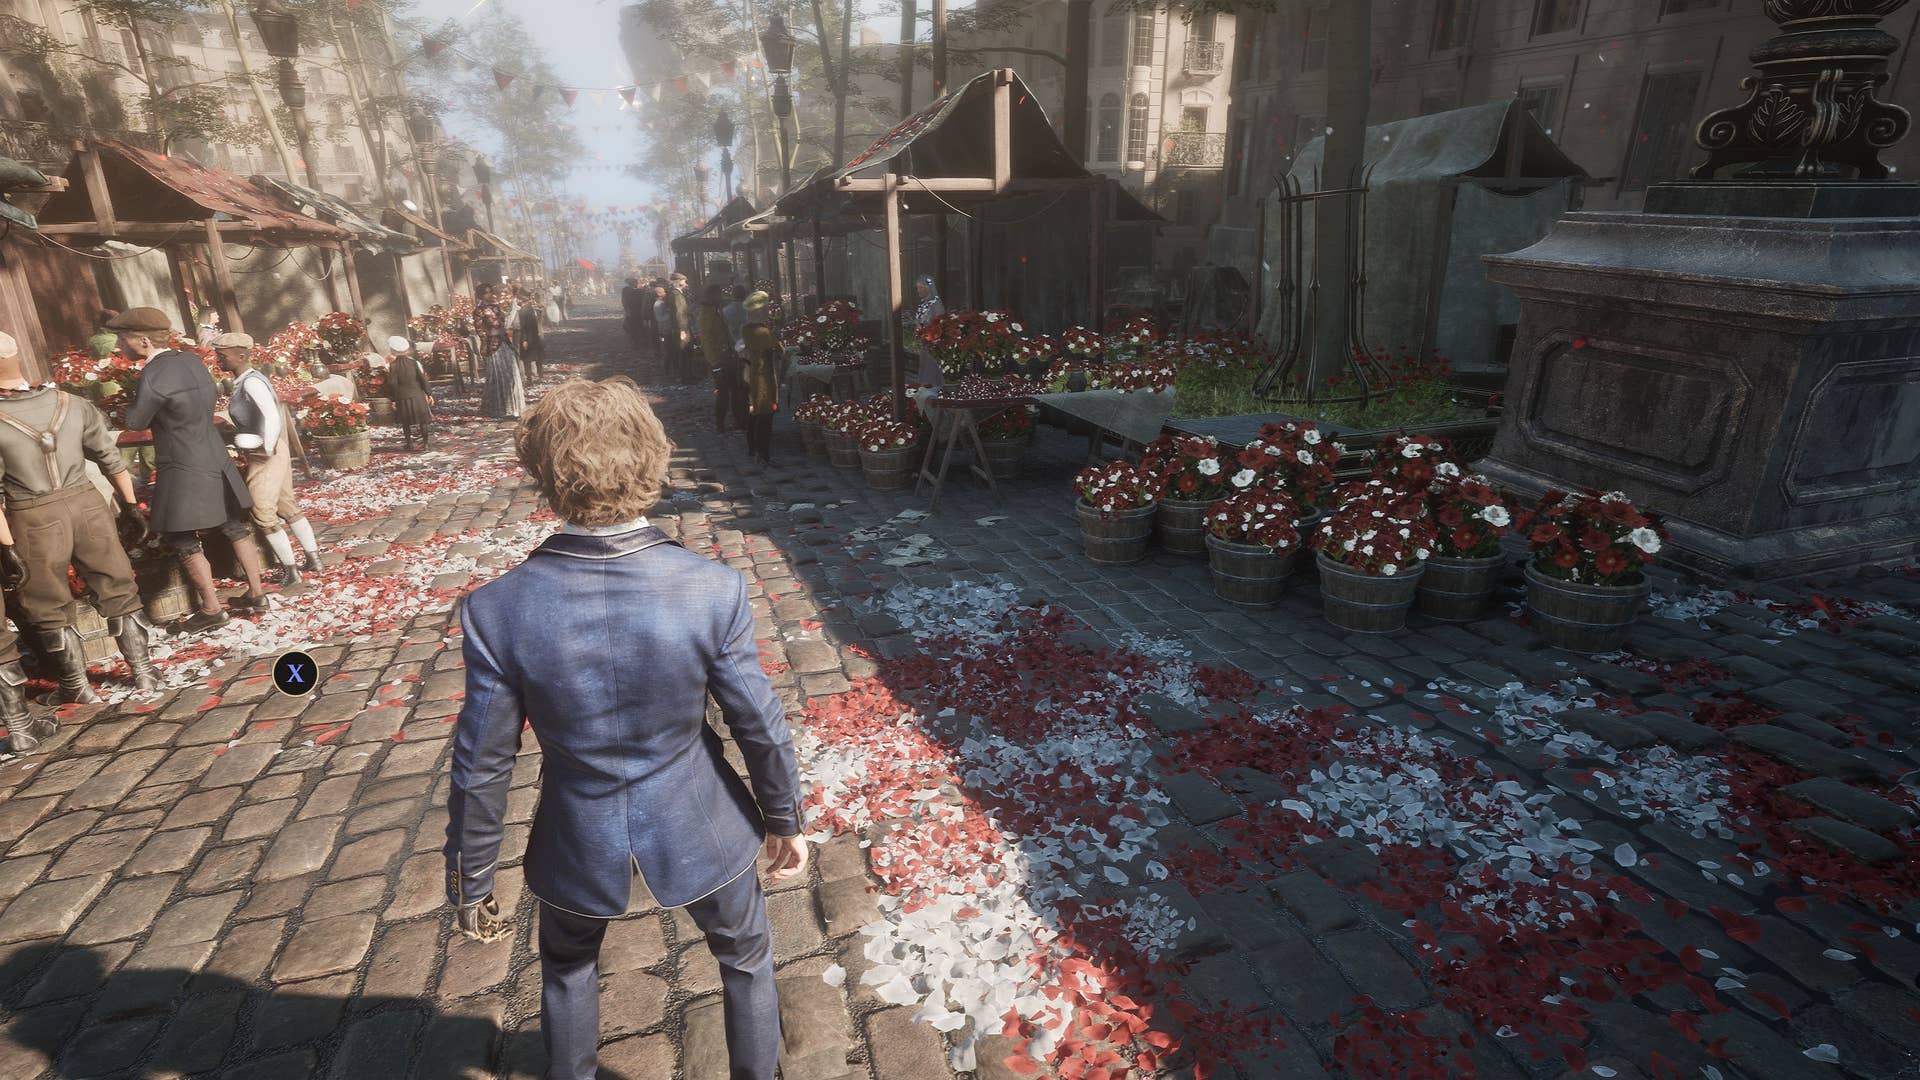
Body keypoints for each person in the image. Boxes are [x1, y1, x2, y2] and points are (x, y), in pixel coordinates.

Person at [446, 377, 805, 1080]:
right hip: (701, 818)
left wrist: (473, 879)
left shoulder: (497, 609)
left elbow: (482, 763)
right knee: (745, 958)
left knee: (568, 967)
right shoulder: (712, 588)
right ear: (652, 458)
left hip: (576, 831)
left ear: (542, 472)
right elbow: (757, 722)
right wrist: (785, 815)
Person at [0, 329, 161, 717]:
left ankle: (77, 688)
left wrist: (6, 549)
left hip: (31, 514)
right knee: (117, 584)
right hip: (88, 504)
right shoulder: (70, 402)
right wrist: (131, 506)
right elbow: (110, 458)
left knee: (47, 603)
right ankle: (143, 673)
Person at [112, 307, 269, 632]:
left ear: (142, 341)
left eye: (121, 339)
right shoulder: (191, 361)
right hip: (213, 453)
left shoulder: (153, 374)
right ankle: (257, 593)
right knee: (233, 525)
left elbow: (136, 421)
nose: (117, 346)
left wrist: (128, 403)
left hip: (182, 462)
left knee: (181, 536)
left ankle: (212, 609)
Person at [214, 334, 323, 587]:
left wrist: (265, 447)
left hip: (266, 454)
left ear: (241, 355)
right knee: (285, 505)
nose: (219, 359)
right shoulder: (245, 381)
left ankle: (291, 570)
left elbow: (272, 417)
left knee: (262, 511)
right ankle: (313, 558)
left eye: (223, 355)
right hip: (274, 450)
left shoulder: (251, 383)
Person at [740, 292, 781, 466]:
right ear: (759, 311)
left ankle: (752, 448)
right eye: (765, 308)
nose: (768, 311)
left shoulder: (747, 328)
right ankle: (762, 454)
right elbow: (780, 349)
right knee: (764, 415)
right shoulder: (763, 332)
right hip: (762, 378)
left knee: (753, 412)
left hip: (750, 374)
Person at [700, 284, 745, 434]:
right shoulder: (707, 314)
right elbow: (706, 339)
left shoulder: (717, 310)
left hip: (728, 356)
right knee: (723, 394)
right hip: (720, 359)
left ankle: (738, 421)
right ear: (712, 296)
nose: (721, 297)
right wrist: (714, 362)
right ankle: (720, 423)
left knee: (736, 390)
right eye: (718, 294)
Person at [476, 284, 525, 420]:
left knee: (511, 372)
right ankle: (497, 406)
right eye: (486, 293)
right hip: (493, 345)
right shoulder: (479, 310)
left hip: (504, 342)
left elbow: (504, 323)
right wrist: (486, 344)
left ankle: (513, 406)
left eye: (490, 291)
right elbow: (480, 330)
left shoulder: (496, 307)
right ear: (480, 295)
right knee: (497, 375)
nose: (489, 294)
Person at [386, 336, 434, 451]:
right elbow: (422, 379)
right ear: (407, 350)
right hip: (417, 395)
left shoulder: (392, 366)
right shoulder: (414, 363)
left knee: (405, 422)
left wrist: (392, 399)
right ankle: (426, 443)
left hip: (402, 397)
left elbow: (392, 384)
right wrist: (429, 393)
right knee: (423, 420)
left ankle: (409, 443)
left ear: (392, 351)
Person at [911, 273, 946, 387]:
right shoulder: (923, 304)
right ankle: (925, 387)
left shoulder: (936, 304)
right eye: (917, 288)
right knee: (925, 364)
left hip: (934, 342)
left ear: (928, 288)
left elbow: (940, 323)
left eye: (920, 287)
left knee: (933, 365)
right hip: (925, 342)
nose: (918, 290)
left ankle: (935, 387)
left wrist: (929, 333)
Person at [668, 272, 695, 383]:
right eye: (684, 281)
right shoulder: (676, 295)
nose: (685, 283)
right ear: (679, 282)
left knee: (686, 351)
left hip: (681, 327)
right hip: (682, 328)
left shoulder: (676, 294)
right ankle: (686, 376)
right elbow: (680, 313)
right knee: (684, 351)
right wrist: (682, 329)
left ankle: (688, 375)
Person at [517, 289, 545, 382]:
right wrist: (524, 339)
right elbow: (523, 326)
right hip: (531, 337)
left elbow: (538, 323)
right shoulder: (525, 310)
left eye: (534, 298)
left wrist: (524, 340)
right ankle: (531, 377)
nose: (533, 300)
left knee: (535, 358)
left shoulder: (533, 309)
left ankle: (538, 376)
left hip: (534, 337)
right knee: (530, 359)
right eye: (531, 298)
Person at [620, 277, 648, 355]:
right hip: (638, 312)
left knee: (633, 328)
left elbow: (624, 302)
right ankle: (643, 343)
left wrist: (627, 311)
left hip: (632, 312)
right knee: (641, 327)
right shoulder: (640, 291)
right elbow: (644, 302)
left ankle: (636, 344)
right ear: (634, 283)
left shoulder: (625, 290)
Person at [650, 281, 671, 373]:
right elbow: (660, 318)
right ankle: (666, 368)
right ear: (659, 294)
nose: (665, 293)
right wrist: (670, 313)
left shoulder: (661, 303)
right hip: (664, 330)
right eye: (663, 292)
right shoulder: (658, 304)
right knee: (667, 350)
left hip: (666, 329)